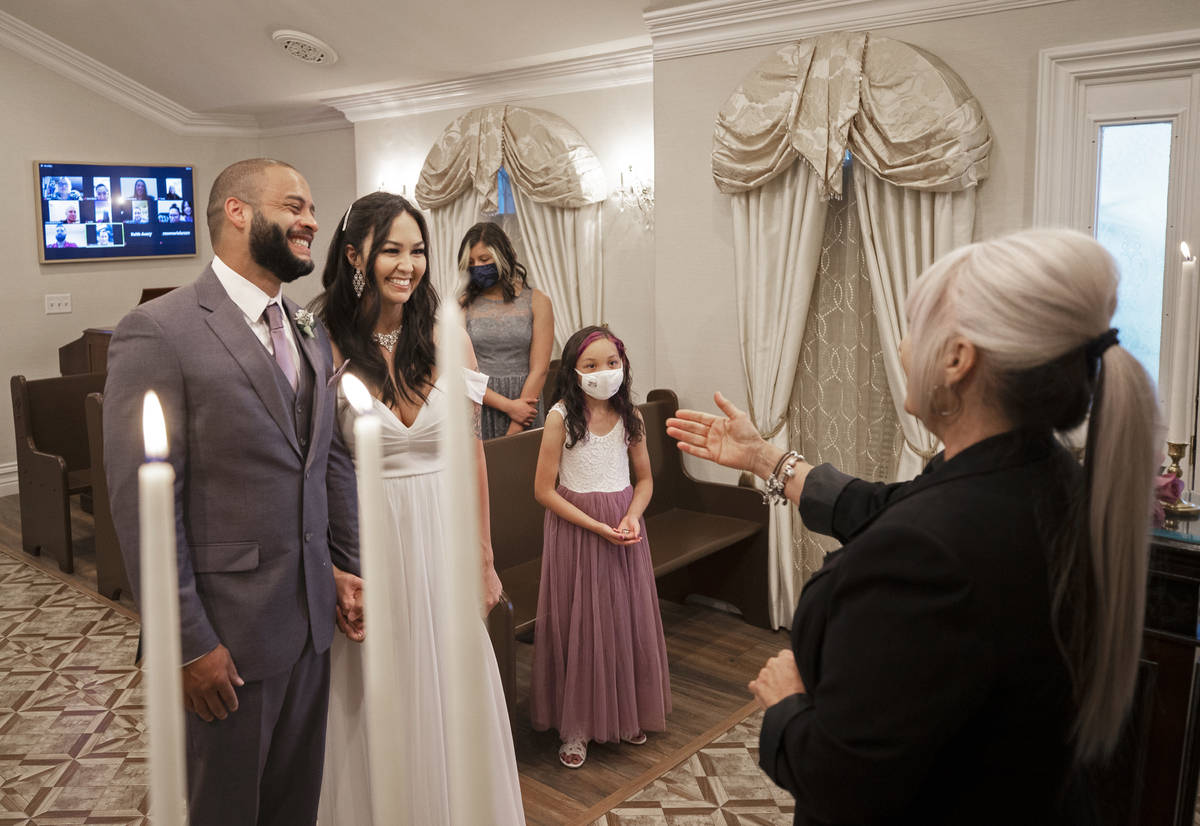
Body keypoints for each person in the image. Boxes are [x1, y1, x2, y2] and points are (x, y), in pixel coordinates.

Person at [666, 229, 1157, 824]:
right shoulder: (1042, 476)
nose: (901, 349)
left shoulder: (928, 552)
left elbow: (846, 781)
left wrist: (789, 707)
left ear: (956, 359)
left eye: (914, 327)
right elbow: (883, 506)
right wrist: (765, 458)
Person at [103, 158, 363, 826]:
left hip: (308, 626)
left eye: (311, 207)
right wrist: (186, 641)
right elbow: (143, 506)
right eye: (294, 206)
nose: (311, 221)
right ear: (237, 212)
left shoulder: (305, 325)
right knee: (224, 810)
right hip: (227, 636)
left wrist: (342, 566)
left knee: (292, 807)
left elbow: (321, 461)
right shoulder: (160, 330)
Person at [314, 191, 525, 825]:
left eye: (418, 251)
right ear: (355, 256)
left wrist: (484, 561)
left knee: (448, 692)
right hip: (367, 541)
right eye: (391, 251)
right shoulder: (322, 343)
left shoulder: (445, 334)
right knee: (378, 694)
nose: (409, 265)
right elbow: (313, 469)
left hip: (440, 539)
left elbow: (473, 456)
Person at [531, 325, 671, 768]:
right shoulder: (559, 418)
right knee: (582, 623)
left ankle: (624, 711)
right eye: (591, 365)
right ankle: (576, 727)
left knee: (621, 619)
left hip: (624, 530)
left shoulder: (631, 416)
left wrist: (632, 515)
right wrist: (595, 524)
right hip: (577, 530)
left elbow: (644, 479)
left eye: (611, 363)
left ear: (623, 366)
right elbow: (543, 491)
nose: (603, 372)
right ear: (574, 372)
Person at [458, 222, 553, 438]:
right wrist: (509, 407)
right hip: (478, 400)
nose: (477, 267)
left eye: (484, 259)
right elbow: (461, 372)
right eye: (471, 262)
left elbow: (540, 369)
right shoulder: (462, 305)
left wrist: (516, 425)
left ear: (503, 257)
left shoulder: (538, 301)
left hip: (527, 402)